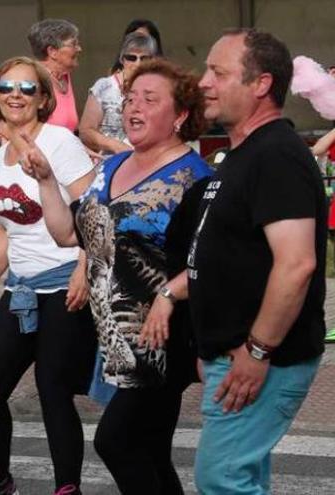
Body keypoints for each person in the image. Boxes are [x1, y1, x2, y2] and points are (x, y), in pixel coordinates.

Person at [21, 59, 211, 493]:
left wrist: (167, 293)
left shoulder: (196, 179)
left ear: (180, 115)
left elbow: (210, 260)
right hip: (114, 340)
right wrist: (47, 180)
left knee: (117, 441)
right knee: (151, 451)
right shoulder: (112, 165)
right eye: (129, 99)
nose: (133, 107)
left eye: (149, 99)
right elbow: (70, 234)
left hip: (160, 338)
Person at [189, 29, 326, 494]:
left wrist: (257, 351)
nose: (204, 82)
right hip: (238, 356)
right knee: (240, 478)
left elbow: (297, 264)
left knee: (222, 479)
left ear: (261, 84)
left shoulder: (276, 156)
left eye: (218, 72)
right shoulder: (245, 155)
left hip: (264, 358)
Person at [0, 56, 96, 495]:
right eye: (5, 87)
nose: (15, 95)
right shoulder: (2, 154)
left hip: (63, 283)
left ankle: (67, 486)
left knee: (52, 388)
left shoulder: (60, 143)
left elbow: (94, 214)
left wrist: (84, 267)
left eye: (26, 88)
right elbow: (6, 227)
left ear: (43, 99)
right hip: (20, 288)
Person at [79, 33, 158, 157]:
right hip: (110, 160)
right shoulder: (104, 86)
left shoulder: (157, 88)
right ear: (122, 59)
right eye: (131, 58)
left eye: (144, 58)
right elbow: (85, 131)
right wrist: (115, 146)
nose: (137, 63)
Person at [27, 19, 82, 133]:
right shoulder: (33, 79)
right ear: (52, 52)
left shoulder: (64, 77)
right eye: (73, 44)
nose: (79, 49)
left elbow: (68, 135)